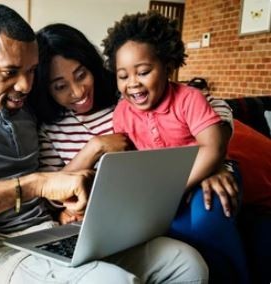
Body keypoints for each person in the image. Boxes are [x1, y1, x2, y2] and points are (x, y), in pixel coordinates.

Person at [0, 4, 209, 284]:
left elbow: (169, 103)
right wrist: (32, 185)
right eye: (10, 72)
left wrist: (218, 158)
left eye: (32, 71)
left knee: (186, 264)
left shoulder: (27, 105)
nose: (24, 85)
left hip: (51, 233)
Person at [28, 22, 246, 283]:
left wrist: (210, 163)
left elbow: (215, 109)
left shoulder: (126, 100)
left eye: (81, 74)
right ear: (46, 89)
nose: (77, 91)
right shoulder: (51, 129)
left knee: (202, 225)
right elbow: (52, 195)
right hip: (115, 219)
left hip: (158, 196)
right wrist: (95, 147)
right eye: (60, 86)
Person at [102, 12, 248, 283]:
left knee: (207, 218)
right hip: (165, 189)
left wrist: (172, 188)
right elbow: (128, 160)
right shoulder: (122, 112)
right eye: (123, 76)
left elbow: (213, 148)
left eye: (143, 72)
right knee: (170, 229)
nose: (132, 82)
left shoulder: (189, 99)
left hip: (209, 174)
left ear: (168, 66)